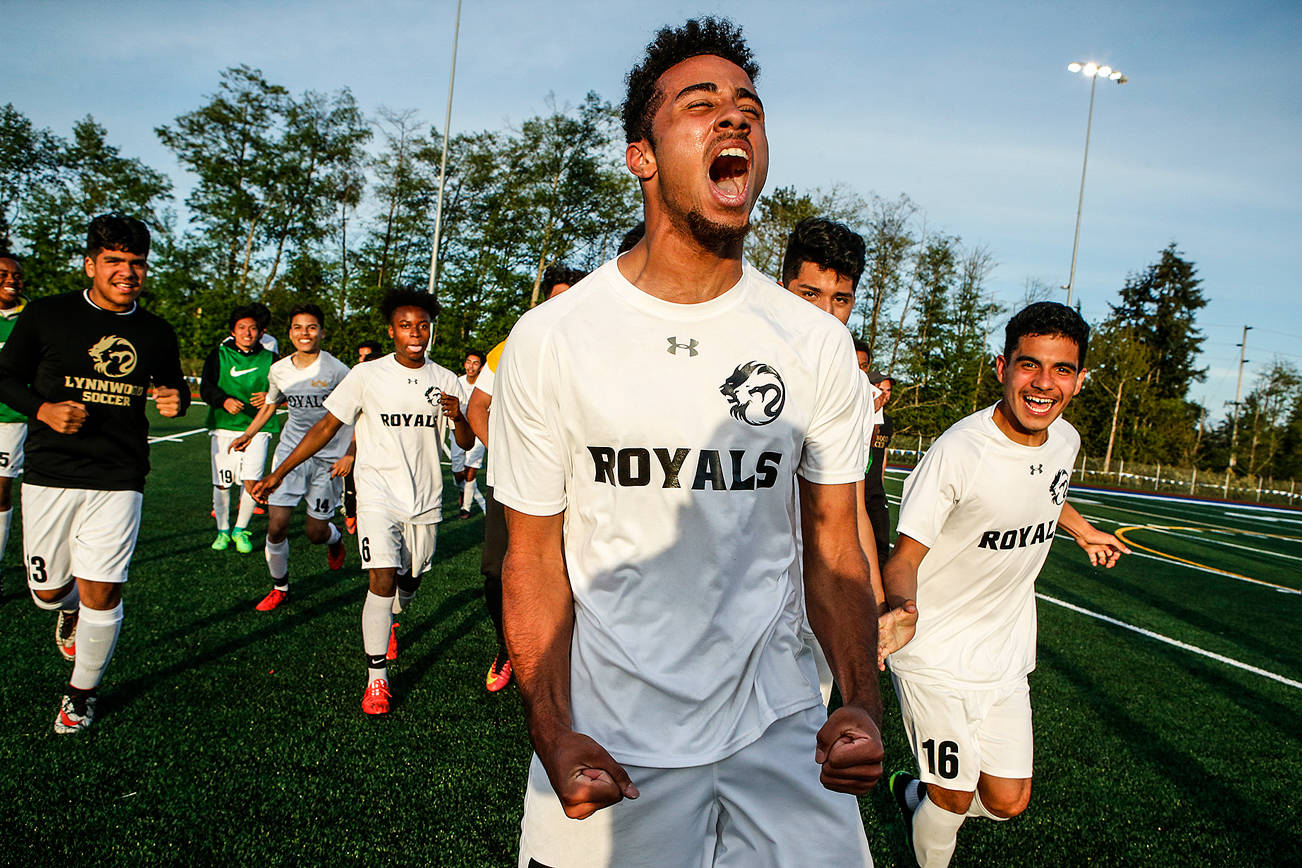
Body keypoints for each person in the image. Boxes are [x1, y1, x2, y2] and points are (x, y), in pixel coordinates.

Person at [491, 18, 881, 866]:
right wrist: (550, 727)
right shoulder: (554, 338)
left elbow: (836, 543)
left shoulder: (812, 345)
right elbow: (529, 557)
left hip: (782, 724)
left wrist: (860, 700)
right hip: (610, 735)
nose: (734, 119)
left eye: (750, 107)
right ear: (641, 154)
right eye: (700, 105)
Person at [877, 302, 1130, 867]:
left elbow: (1046, 492)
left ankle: (909, 793)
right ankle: (930, 808)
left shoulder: (1064, 439)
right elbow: (903, 557)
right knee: (953, 797)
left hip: (1006, 654)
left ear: (1080, 379)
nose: (1044, 384)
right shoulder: (959, 453)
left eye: (1062, 369)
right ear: (1002, 368)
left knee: (1007, 802)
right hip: (936, 655)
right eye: (1029, 365)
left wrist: (1085, 532)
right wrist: (901, 609)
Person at [0, 214, 189, 733]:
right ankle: (66, 609)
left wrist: (175, 398)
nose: (127, 272)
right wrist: (43, 411)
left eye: (136, 263)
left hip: (119, 474)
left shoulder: (154, 331)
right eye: (114, 261)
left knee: (102, 591)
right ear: (90, 264)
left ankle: (81, 694)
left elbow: (174, 386)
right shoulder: (46, 315)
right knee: (48, 593)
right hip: (50, 472)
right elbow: (5, 377)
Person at [251, 289, 472, 715]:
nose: (415, 333)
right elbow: (327, 425)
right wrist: (277, 473)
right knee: (381, 579)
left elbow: (464, 442)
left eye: (423, 325)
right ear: (391, 331)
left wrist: (459, 417)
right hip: (376, 493)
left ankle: (393, 614)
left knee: (409, 583)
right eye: (406, 325)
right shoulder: (367, 374)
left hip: (424, 498)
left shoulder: (447, 379)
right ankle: (376, 680)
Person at [779, 216, 886, 705]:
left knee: (809, 732)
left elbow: (853, 508)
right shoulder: (739, 366)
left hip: (822, 588)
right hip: (746, 588)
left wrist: (876, 604)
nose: (824, 314)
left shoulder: (855, 392)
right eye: (809, 295)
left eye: (838, 300)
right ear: (782, 287)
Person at [464, 265, 583, 693]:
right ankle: (505, 648)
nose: (560, 307)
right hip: (512, 483)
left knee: (572, 570)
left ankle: (569, 654)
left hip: (578, 484)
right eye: (554, 298)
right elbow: (477, 409)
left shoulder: (593, 351)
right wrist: (515, 457)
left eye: (568, 298)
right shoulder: (511, 345)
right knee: (499, 572)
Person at [229, 303, 350, 611]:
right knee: (277, 526)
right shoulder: (279, 369)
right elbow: (270, 405)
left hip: (328, 459)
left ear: (322, 332)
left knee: (314, 532)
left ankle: (334, 537)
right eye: (298, 327)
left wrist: (350, 453)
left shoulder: (338, 370)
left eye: (311, 327)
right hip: (290, 455)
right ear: (290, 333)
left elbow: (358, 413)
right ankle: (280, 586)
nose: (304, 333)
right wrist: (249, 433)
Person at [201, 305, 278, 554]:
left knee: (252, 481)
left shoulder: (272, 359)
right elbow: (206, 387)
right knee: (222, 483)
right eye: (242, 328)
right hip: (224, 428)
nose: (247, 333)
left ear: (261, 332)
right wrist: (223, 400)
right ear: (233, 331)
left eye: (253, 328)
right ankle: (223, 530)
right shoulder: (219, 355)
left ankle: (240, 529)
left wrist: (270, 395)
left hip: (259, 429)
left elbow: (284, 388)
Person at [0, 254, 30, 593]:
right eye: (4, 274)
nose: (12, 279)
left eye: (17, 275)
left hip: (9, 420)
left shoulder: (31, 318)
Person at [341, 340, 384, 535]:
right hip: (357, 448)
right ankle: (351, 513)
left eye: (364, 356)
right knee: (352, 487)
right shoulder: (355, 381)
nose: (360, 360)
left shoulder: (389, 384)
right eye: (360, 356)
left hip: (383, 453)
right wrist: (350, 453)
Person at [451, 349, 487, 519]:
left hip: (478, 431)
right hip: (458, 430)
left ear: (481, 367)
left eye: (475, 363)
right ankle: (462, 491)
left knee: (471, 471)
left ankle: (465, 507)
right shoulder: (456, 382)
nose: (471, 366)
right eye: (468, 362)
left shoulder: (485, 386)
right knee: (458, 473)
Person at [864, 367, 895, 567]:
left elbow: (881, 452)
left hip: (875, 488)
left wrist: (881, 480)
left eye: (888, 390)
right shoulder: (858, 417)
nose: (885, 394)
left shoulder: (888, 422)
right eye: (880, 389)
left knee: (883, 543)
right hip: (857, 487)